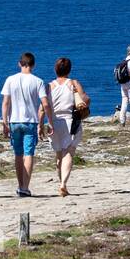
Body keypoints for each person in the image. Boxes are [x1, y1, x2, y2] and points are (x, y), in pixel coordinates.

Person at [1, 52, 51, 198]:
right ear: (33, 65)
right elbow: (45, 103)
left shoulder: (10, 79)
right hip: (30, 121)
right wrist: (46, 121)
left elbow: (5, 103)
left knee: (18, 154)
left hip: (14, 121)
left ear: (19, 64)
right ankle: (25, 187)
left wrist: (5, 122)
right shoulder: (38, 81)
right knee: (28, 153)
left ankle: (19, 184)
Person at [48, 57, 89, 196]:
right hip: (70, 120)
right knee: (69, 152)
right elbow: (85, 99)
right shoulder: (73, 83)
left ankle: (61, 183)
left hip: (54, 121)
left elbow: (44, 106)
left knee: (59, 155)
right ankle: (63, 184)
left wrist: (42, 123)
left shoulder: (50, 86)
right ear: (69, 70)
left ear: (55, 69)